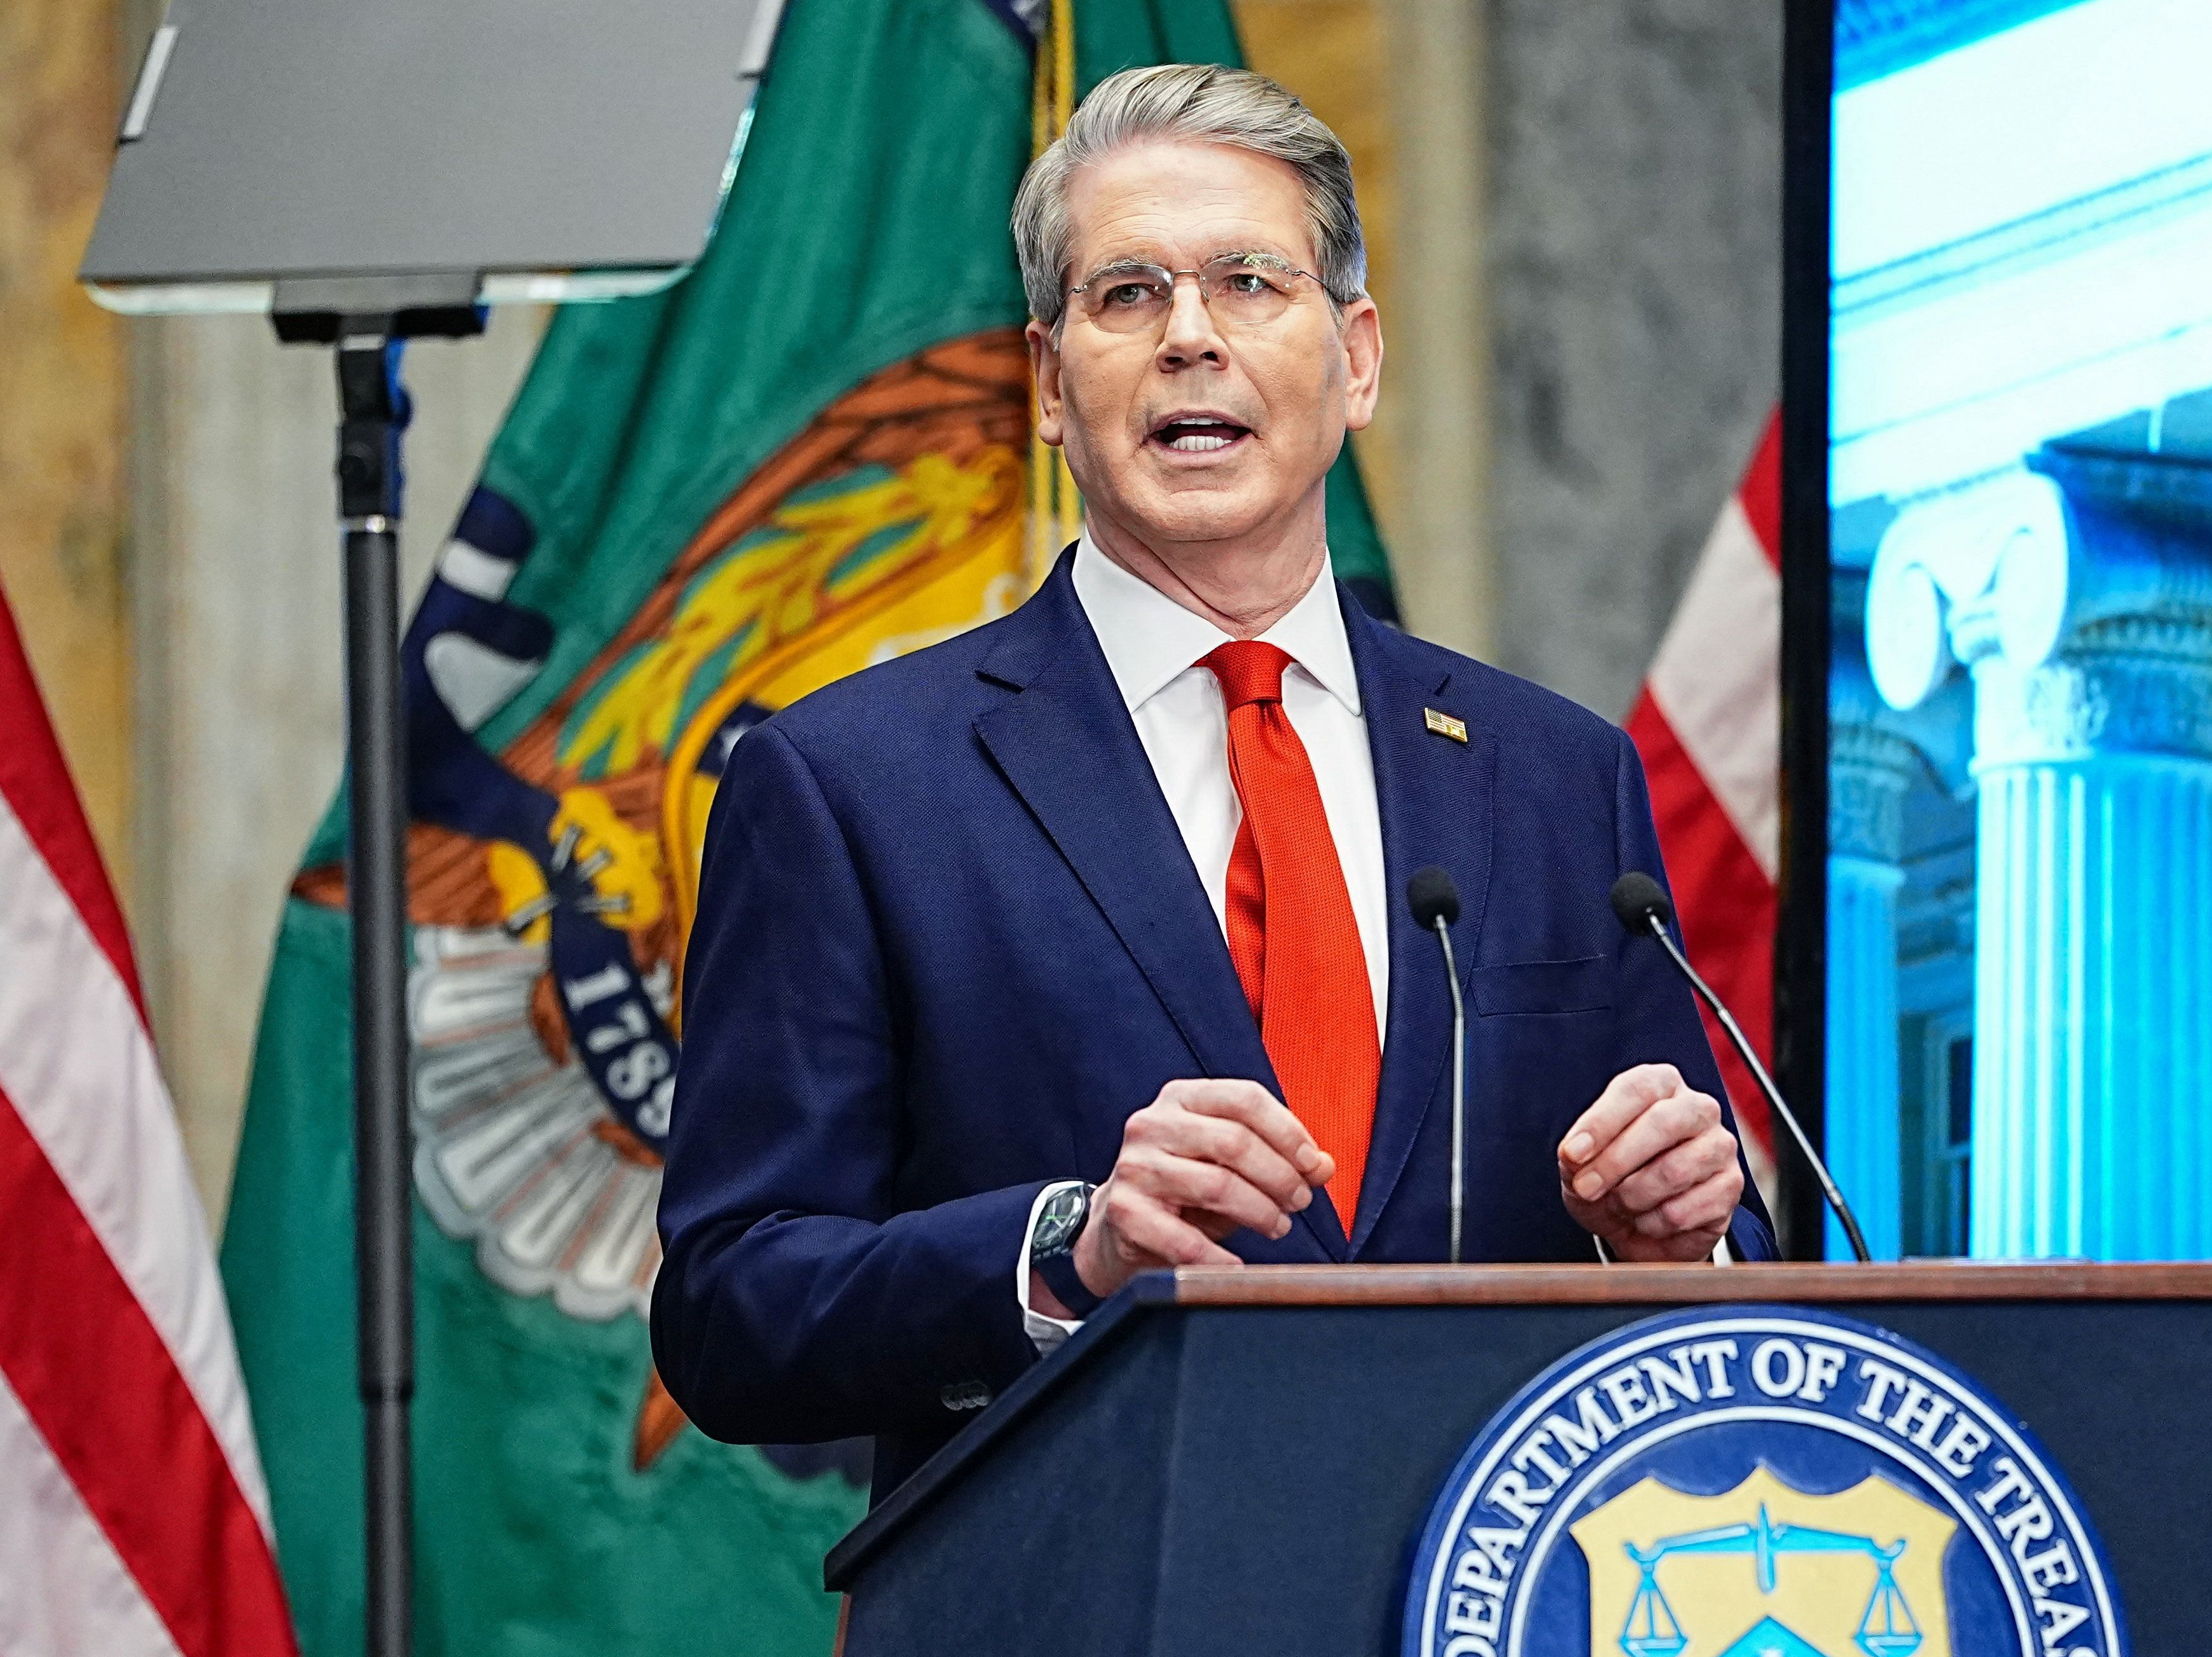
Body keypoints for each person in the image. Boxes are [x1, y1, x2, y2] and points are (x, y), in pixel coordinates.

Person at [651, 63, 1771, 1483]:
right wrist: (1068, 1248)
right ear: (1050, 387)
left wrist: (1670, 1242)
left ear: (1354, 359)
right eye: (1126, 295)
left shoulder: (1555, 779)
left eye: (1249, 283)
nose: (1190, 337)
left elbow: (1694, 1242)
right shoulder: (851, 785)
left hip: (1490, 1642)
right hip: (1088, 1650)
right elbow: (730, 1308)